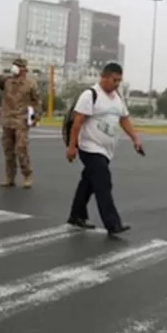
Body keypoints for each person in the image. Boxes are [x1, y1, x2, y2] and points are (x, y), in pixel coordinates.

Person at [65, 62, 141, 236]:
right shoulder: (90, 95)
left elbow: (124, 119)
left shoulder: (117, 97)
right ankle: (112, 223)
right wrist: (72, 147)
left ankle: (76, 215)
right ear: (104, 77)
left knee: (88, 182)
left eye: (119, 81)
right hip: (90, 147)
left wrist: (135, 138)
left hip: (106, 150)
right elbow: (77, 123)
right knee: (103, 182)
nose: (117, 84)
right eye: (114, 80)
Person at [0, 58, 41, 188]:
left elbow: (37, 102)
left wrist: (35, 118)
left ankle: (27, 175)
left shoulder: (30, 84)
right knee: (8, 150)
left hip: (21, 120)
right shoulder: (7, 81)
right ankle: (10, 177)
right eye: (14, 65)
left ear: (23, 69)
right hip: (7, 119)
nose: (14, 68)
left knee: (21, 148)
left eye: (17, 66)